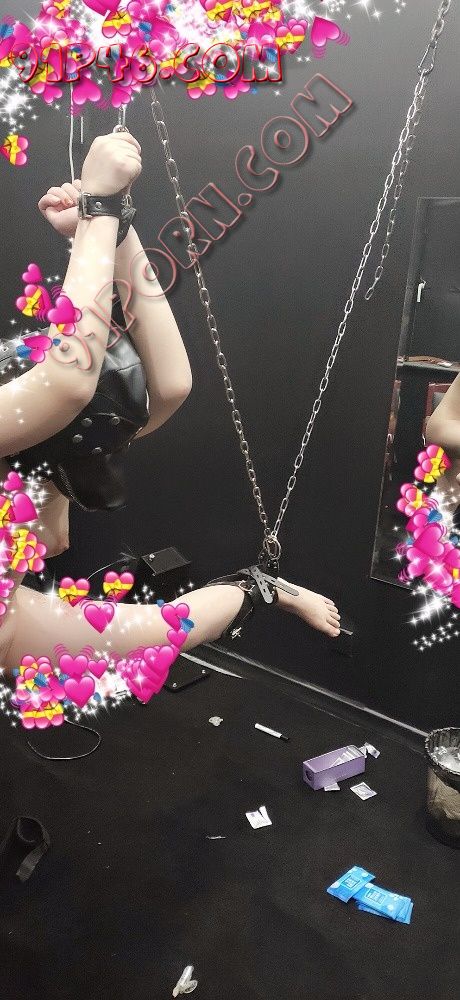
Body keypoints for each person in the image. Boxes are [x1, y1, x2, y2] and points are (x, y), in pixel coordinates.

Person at [0, 130, 340, 681]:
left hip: (10, 612)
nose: (57, 539)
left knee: (167, 629)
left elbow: (171, 386)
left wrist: (114, 229)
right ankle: (260, 589)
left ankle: (261, 588)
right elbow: (66, 385)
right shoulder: (30, 430)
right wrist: (98, 208)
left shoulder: (40, 454)